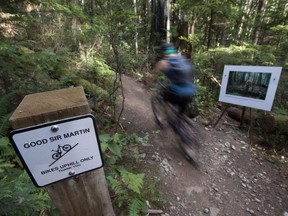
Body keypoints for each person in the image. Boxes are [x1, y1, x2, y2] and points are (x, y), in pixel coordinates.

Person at [154, 43, 197, 114]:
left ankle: (169, 120)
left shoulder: (163, 62)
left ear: (164, 52)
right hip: (190, 92)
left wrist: (151, 82)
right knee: (180, 114)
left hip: (177, 93)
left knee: (166, 100)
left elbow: (154, 74)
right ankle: (179, 121)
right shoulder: (184, 59)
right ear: (174, 50)